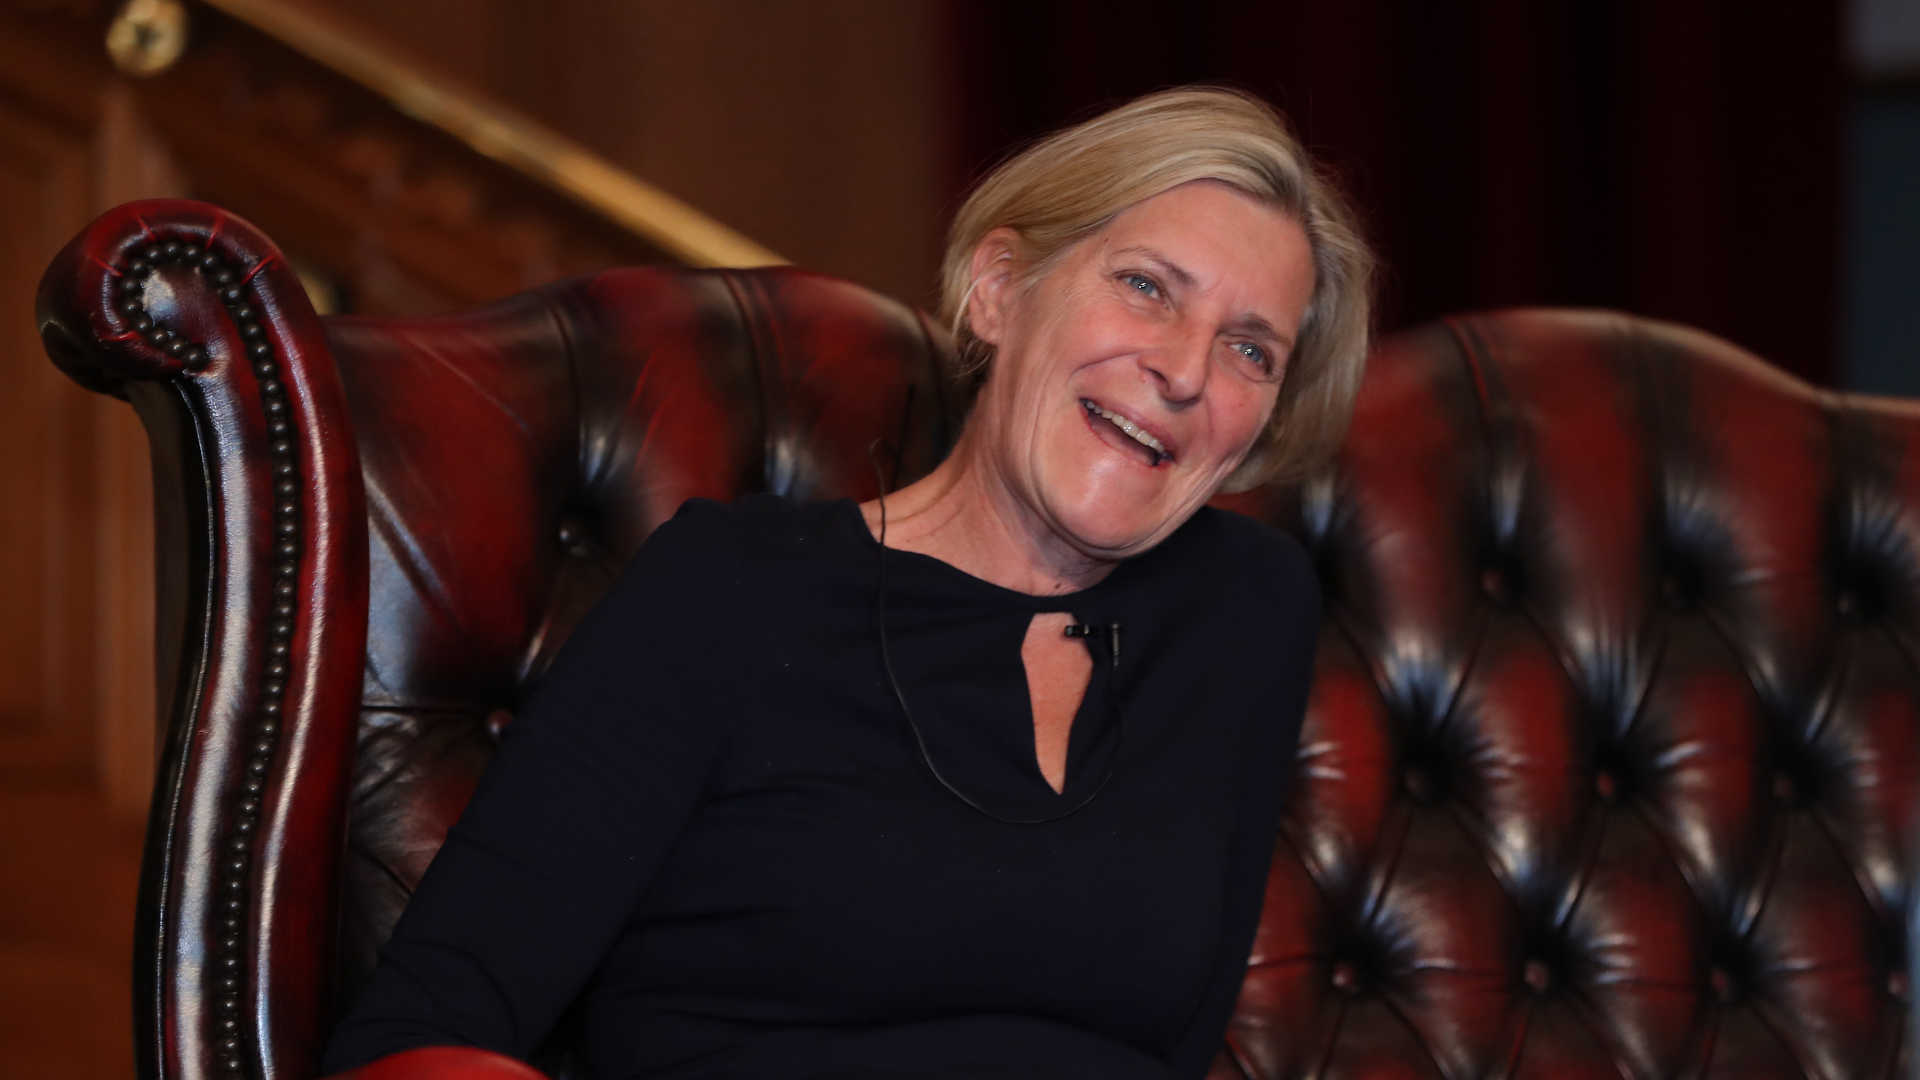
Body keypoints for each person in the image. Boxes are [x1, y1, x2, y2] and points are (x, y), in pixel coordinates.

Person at [322, 86, 1373, 1079]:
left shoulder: (1246, 611)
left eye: (1251, 351)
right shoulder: (729, 594)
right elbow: (424, 1030)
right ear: (1000, 290)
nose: (1186, 371)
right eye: (1145, 286)